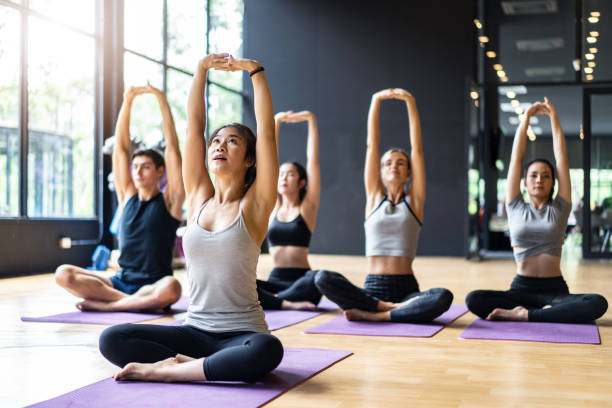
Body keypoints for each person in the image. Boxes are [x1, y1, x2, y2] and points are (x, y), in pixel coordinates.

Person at [99, 53, 283, 383]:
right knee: (112, 339)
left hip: (242, 334)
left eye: (232, 141)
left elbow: (267, 133)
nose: (219, 145)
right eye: (216, 140)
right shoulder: (198, 196)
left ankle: (168, 372)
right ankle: (194, 367)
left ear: (250, 160)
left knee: (267, 350)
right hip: (194, 332)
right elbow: (193, 129)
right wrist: (200, 70)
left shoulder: (255, 205)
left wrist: (255, 71)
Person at [314, 88, 453, 322]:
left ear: (409, 172)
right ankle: (388, 308)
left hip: (407, 288)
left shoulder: (414, 202)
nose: (394, 166)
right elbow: (372, 145)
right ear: (380, 171)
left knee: (443, 297)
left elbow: (417, 149)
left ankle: (379, 315)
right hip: (372, 288)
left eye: (400, 163)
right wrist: (375, 101)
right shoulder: (374, 198)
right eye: (388, 163)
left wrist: (410, 101)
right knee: (322, 278)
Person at [466, 97, 608, 323]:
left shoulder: (560, 208)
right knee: (473, 299)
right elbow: (516, 158)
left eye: (545, 176)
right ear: (524, 182)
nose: (539, 180)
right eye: (533, 175)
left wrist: (554, 119)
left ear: (553, 182)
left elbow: (561, 158)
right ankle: (543, 314)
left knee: (597, 303)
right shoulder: (515, 206)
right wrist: (525, 120)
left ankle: (527, 315)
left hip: (555, 290)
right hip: (520, 289)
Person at [55, 82, 184, 312]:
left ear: (160, 171)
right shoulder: (127, 196)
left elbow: (173, 149)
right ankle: (127, 304)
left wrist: (162, 101)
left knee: (172, 288)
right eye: (135, 167)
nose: (138, 172)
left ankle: (109, 306)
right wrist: (127, 101)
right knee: (64, 273)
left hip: (154, 284)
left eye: (145, 167)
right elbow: (121, 149)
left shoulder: (170, 200)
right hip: (120, 281)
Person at [256, 110, 325, 310]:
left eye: (290, 174)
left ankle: (276, 300)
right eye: (282, 174)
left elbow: (313, 161)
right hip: (275, 278)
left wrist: (311, 119)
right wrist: (276, 122)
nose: (284, 178)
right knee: (240, 284)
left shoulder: (307, 207)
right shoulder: (273, 207)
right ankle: (285, 301)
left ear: (302, 182)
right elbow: (269, 161)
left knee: (317, 279)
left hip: (302, 280)